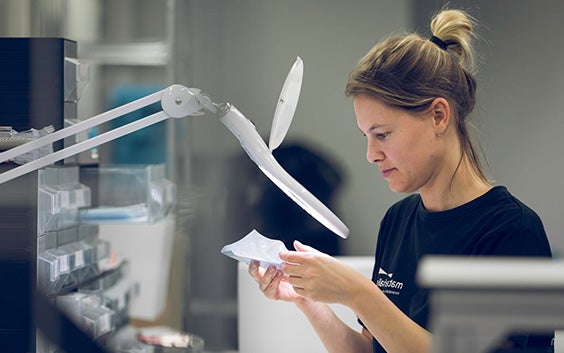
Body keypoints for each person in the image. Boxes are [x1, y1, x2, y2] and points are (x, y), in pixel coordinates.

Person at [248, 8, 553, 353]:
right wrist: (308, 300)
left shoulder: (511, 231)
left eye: (382, 134)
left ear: (438, 115)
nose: (371, 154)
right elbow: (374, 349)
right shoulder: (398, 222)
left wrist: (358, 293)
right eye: (366, 135)